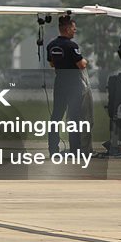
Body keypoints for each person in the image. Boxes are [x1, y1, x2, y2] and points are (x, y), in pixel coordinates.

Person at [45, 15, 88, 155]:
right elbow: (81, 65)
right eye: (74, 29)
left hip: (60, 82)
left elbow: (51, 63)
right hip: (73, 83)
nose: (75, 31)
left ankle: (53, 148)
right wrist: (85, 61)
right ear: (68, 28)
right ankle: (75, 150)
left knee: (56, 115)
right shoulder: (72, 46)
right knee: (74, 117)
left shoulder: (51, 45)